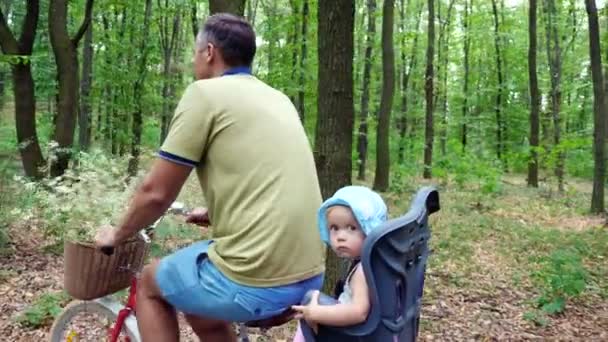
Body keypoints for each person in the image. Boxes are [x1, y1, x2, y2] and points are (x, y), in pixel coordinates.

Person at [94, 13, 325, 342]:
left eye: (194, 52)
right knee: (191, 289)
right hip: (310, 275)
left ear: (209, 52)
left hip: (256, 279)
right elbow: (270, 180)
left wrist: (115, 235)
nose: (193, 60)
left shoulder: (205, 94)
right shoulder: (278, 99)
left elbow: (156, 193)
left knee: (149, 283)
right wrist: (218, 213)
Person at [291, 186, 388, 341]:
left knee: (310, 302)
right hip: (356, 327)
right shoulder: (373, 261)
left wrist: (316, 313)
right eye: (334, 228)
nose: (340, 237)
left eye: (352, 228)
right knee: (313, 297)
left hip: (352, 334)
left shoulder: (363, 271)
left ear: (371, 230)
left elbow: (359, 312)